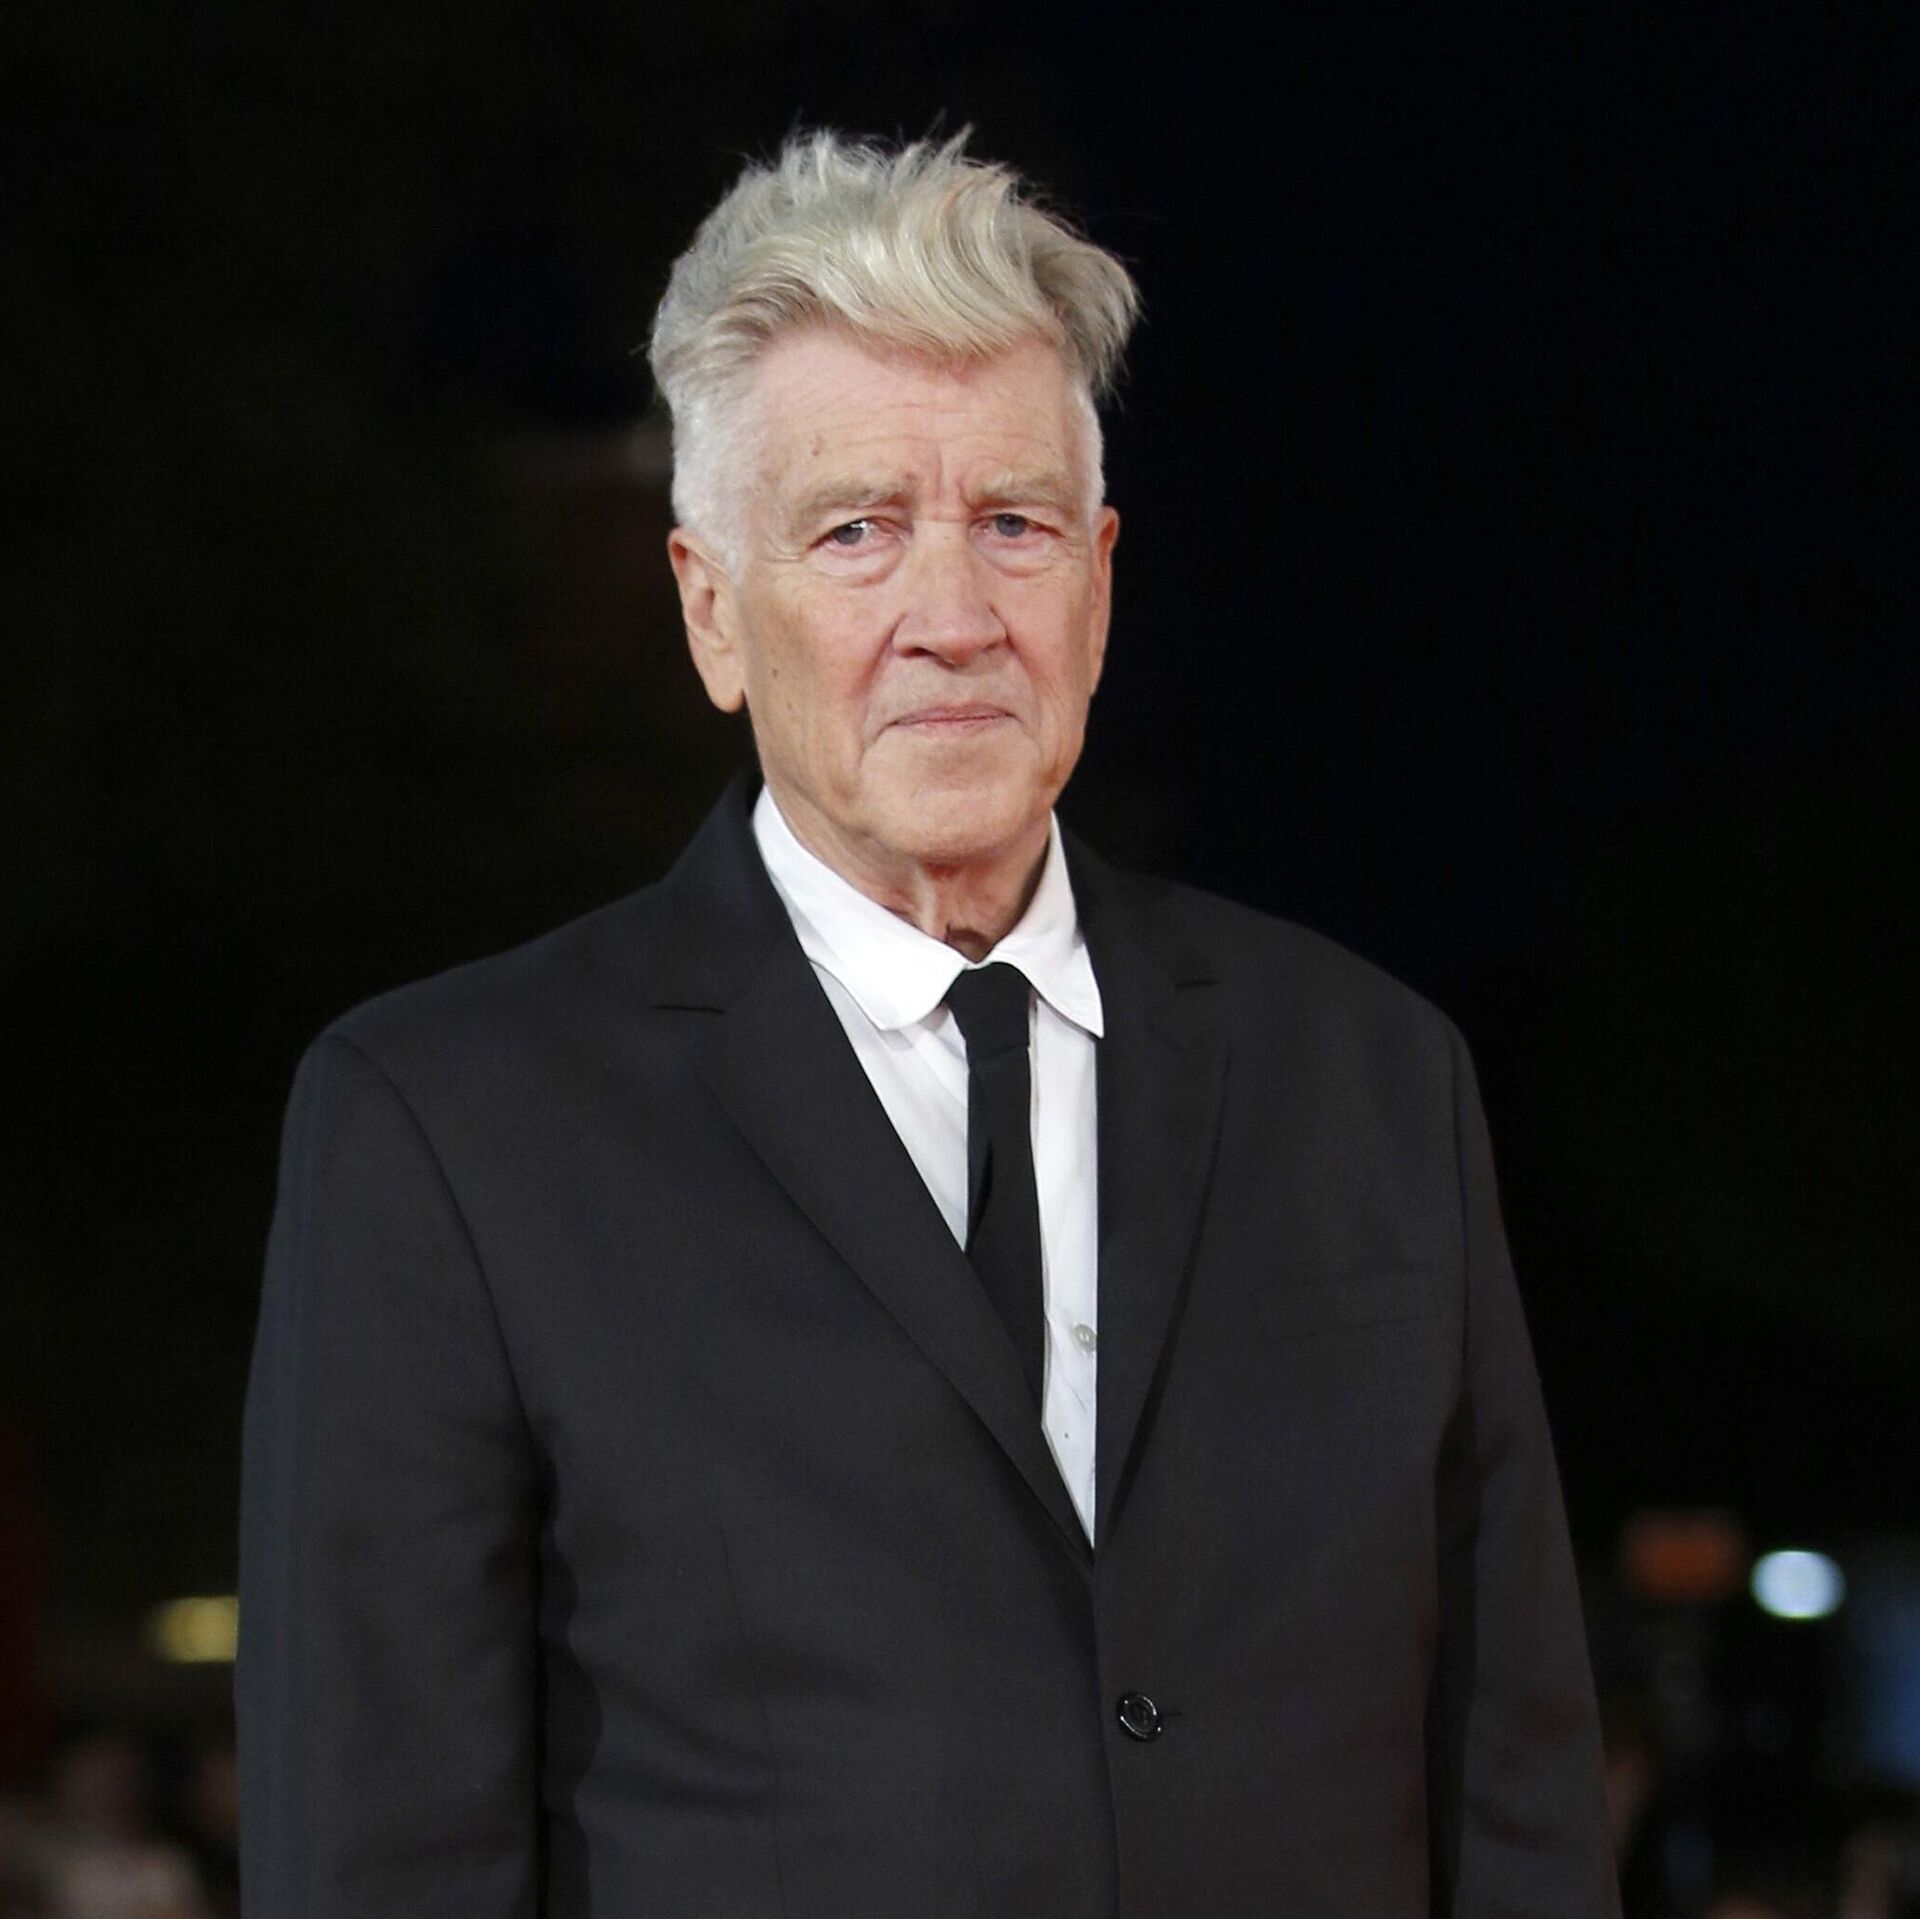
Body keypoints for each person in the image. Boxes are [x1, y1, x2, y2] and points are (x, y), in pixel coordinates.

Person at [237, 130, 1620, 1916]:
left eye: (1014, 525)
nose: (952, 618)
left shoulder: (1374, 1079)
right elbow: (378, 1861)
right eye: (858, 530)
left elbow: (1519, 1803)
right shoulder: (445, 1128)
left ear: (1099, 585)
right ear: (712, 610)